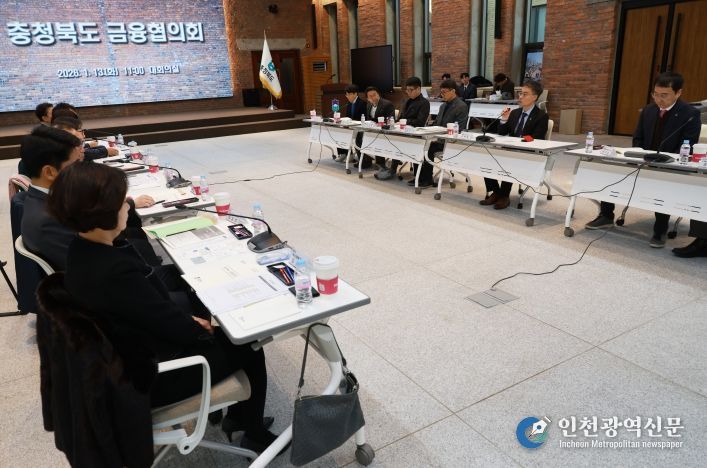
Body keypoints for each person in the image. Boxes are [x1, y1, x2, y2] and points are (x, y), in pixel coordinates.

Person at [47, 162, 280, 453]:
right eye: (122, 203)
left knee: (207, 316)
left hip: (123, 361)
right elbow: (169, 324)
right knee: (249, 343)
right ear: (102, 214)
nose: (128, 207)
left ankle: (238, 418)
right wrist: (196, 326)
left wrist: (189, 320)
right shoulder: (114, 271)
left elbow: (149, 310)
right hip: (149, 378)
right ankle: (253, 431)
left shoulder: (82, 250)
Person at [585, 72, 701, 248]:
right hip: (644, 159)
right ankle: (606, 215)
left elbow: (688, 144)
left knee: (663, 182)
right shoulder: (648, 110)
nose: (659, 99)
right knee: (613, 171)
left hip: (670, 165)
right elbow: (638, 137)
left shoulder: (690, 114)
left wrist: (665, 162)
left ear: (678, 93)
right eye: (656, 94)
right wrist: (639, 155)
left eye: (664, 95)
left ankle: (660, 228)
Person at [19, 125, 157, 271]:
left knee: (138, 236)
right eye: (76, 164)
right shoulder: (47, 221)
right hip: (109, 276)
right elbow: (93, 265)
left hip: (110, 265)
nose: (82, 169)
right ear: (49, 172)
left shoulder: (47, 198)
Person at [481, 80, 548, 210]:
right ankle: (496, 192)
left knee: (509, 160)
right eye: (520, 93)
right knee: (487, 157)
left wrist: (519, 141)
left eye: (525, 94)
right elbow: (502, 132)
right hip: (510, 149)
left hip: (527, 153)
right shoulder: (515, 113)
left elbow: (537, 139)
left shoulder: (541, 116)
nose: (520, 97)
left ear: (534, 97)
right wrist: (504, 119)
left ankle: (504, 195)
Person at [412, 79, 468, 189]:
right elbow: (437, 123)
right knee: (418, 144)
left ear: (453, 91)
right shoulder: (442, 106)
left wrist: (442, 133)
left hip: (449, 141)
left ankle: (427, 179)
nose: (442, 95)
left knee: (428, 148)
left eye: (444, 92)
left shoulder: (461, 106)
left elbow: (460, 128)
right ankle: (418, 177)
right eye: (441, 92)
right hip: (437, 138)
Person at [375, 77, 430, 181]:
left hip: (414, 134)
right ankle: (383, 166)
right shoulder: (406, 101)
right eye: (407, 90)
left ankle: (392, 170)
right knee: (383, 137)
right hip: (402, 131)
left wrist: (404, 122)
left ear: (419, 89)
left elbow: (420, 122)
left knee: (397, 142)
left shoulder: (424, 103)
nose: (408, 92)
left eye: (411, 90)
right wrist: (395, 122)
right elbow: (401, 117)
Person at [365, 86, 395, 170]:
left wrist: (379, 125)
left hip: (385, 131)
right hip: (373, 130)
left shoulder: (387, 104)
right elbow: (368, 120)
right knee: (359, 136)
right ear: (367, 98)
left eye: (374, 95)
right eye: (370, 96)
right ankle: (365, 161)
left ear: (378, 94)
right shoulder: (369, 105)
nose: (373, 97)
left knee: (378, 138)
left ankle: (381, 164)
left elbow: (390, 120)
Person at [335, 84, 367, 162]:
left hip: (359, 127)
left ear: (355, 94)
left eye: (349, 94)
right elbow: (348, 116)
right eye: (346, 95)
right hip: (351, 126)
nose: (347, 96)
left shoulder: (362, 103)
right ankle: (343, 154)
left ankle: (351, 155)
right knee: (339, 132)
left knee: (346, 134)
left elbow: (364, 118)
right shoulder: (349, 103)